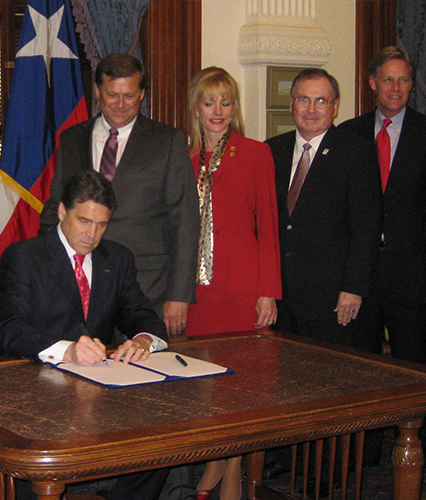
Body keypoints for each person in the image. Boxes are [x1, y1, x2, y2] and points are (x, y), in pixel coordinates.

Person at [0, 170, 169, 500]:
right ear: (62, 212)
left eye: (102, 225)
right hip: (36, 393)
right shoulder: (24, 257)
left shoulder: (117, 259)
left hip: (101, 394)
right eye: (84, 221)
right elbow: (9, 329)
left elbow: (143, 316)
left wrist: (144, 339)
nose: (92, 234)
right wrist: (68, 350)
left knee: (158, 447)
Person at [39, 53, 199, 338]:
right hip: (79, 289)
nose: (121, 104)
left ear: (142, 94)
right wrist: (46, 270)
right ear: (98, 92)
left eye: (129, 95)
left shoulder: (167, 141)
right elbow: (56, 209)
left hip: (147, 289)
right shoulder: (71, 139)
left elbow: (185, 222)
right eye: (112, 95)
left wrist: (179, 295)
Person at [184, 67, 281, 500]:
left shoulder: (256, 153)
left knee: (241, 392)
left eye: (226, 102)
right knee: (206, 389)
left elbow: (269, 227)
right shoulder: (183, 159)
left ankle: (228, 476)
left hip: (243, 289)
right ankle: (215, 466)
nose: (218, 111)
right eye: (209, 103)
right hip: (200, 295)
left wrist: (268, 291)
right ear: (196, 109)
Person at [266, 68, 381, 348]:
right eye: (303, 99)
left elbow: (366, 228)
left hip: (332, 301)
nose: (311, 109)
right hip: (281, 299)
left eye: (321, 101)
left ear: (336, 107)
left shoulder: (355, 152)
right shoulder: (270, 151)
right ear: (291, 104)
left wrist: (353, 289)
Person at [338, 46, 426, 363]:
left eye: (403, 80)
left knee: (414, 366)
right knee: (360, 363)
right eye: (388, 79)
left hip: (413, 275)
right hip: (361, 273)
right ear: (373, 82)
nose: (396, 88)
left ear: (411, 85)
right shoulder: (348, 134)